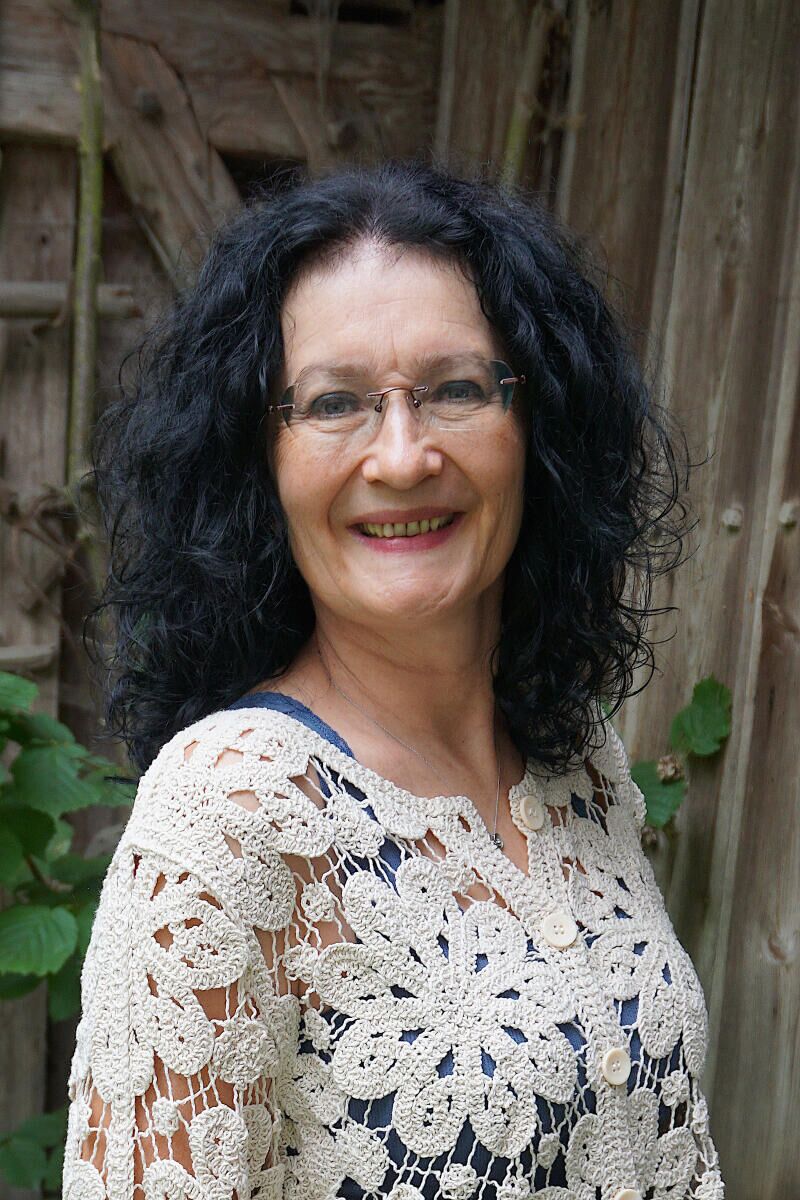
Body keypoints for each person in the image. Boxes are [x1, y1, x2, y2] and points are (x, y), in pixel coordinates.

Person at [64, 160, 723, 1200]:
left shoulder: (577, 766)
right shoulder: (225, 820)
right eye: (335, 403)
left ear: (537, 427)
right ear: (258, 460)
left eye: (456, 389)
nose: (404, 457)